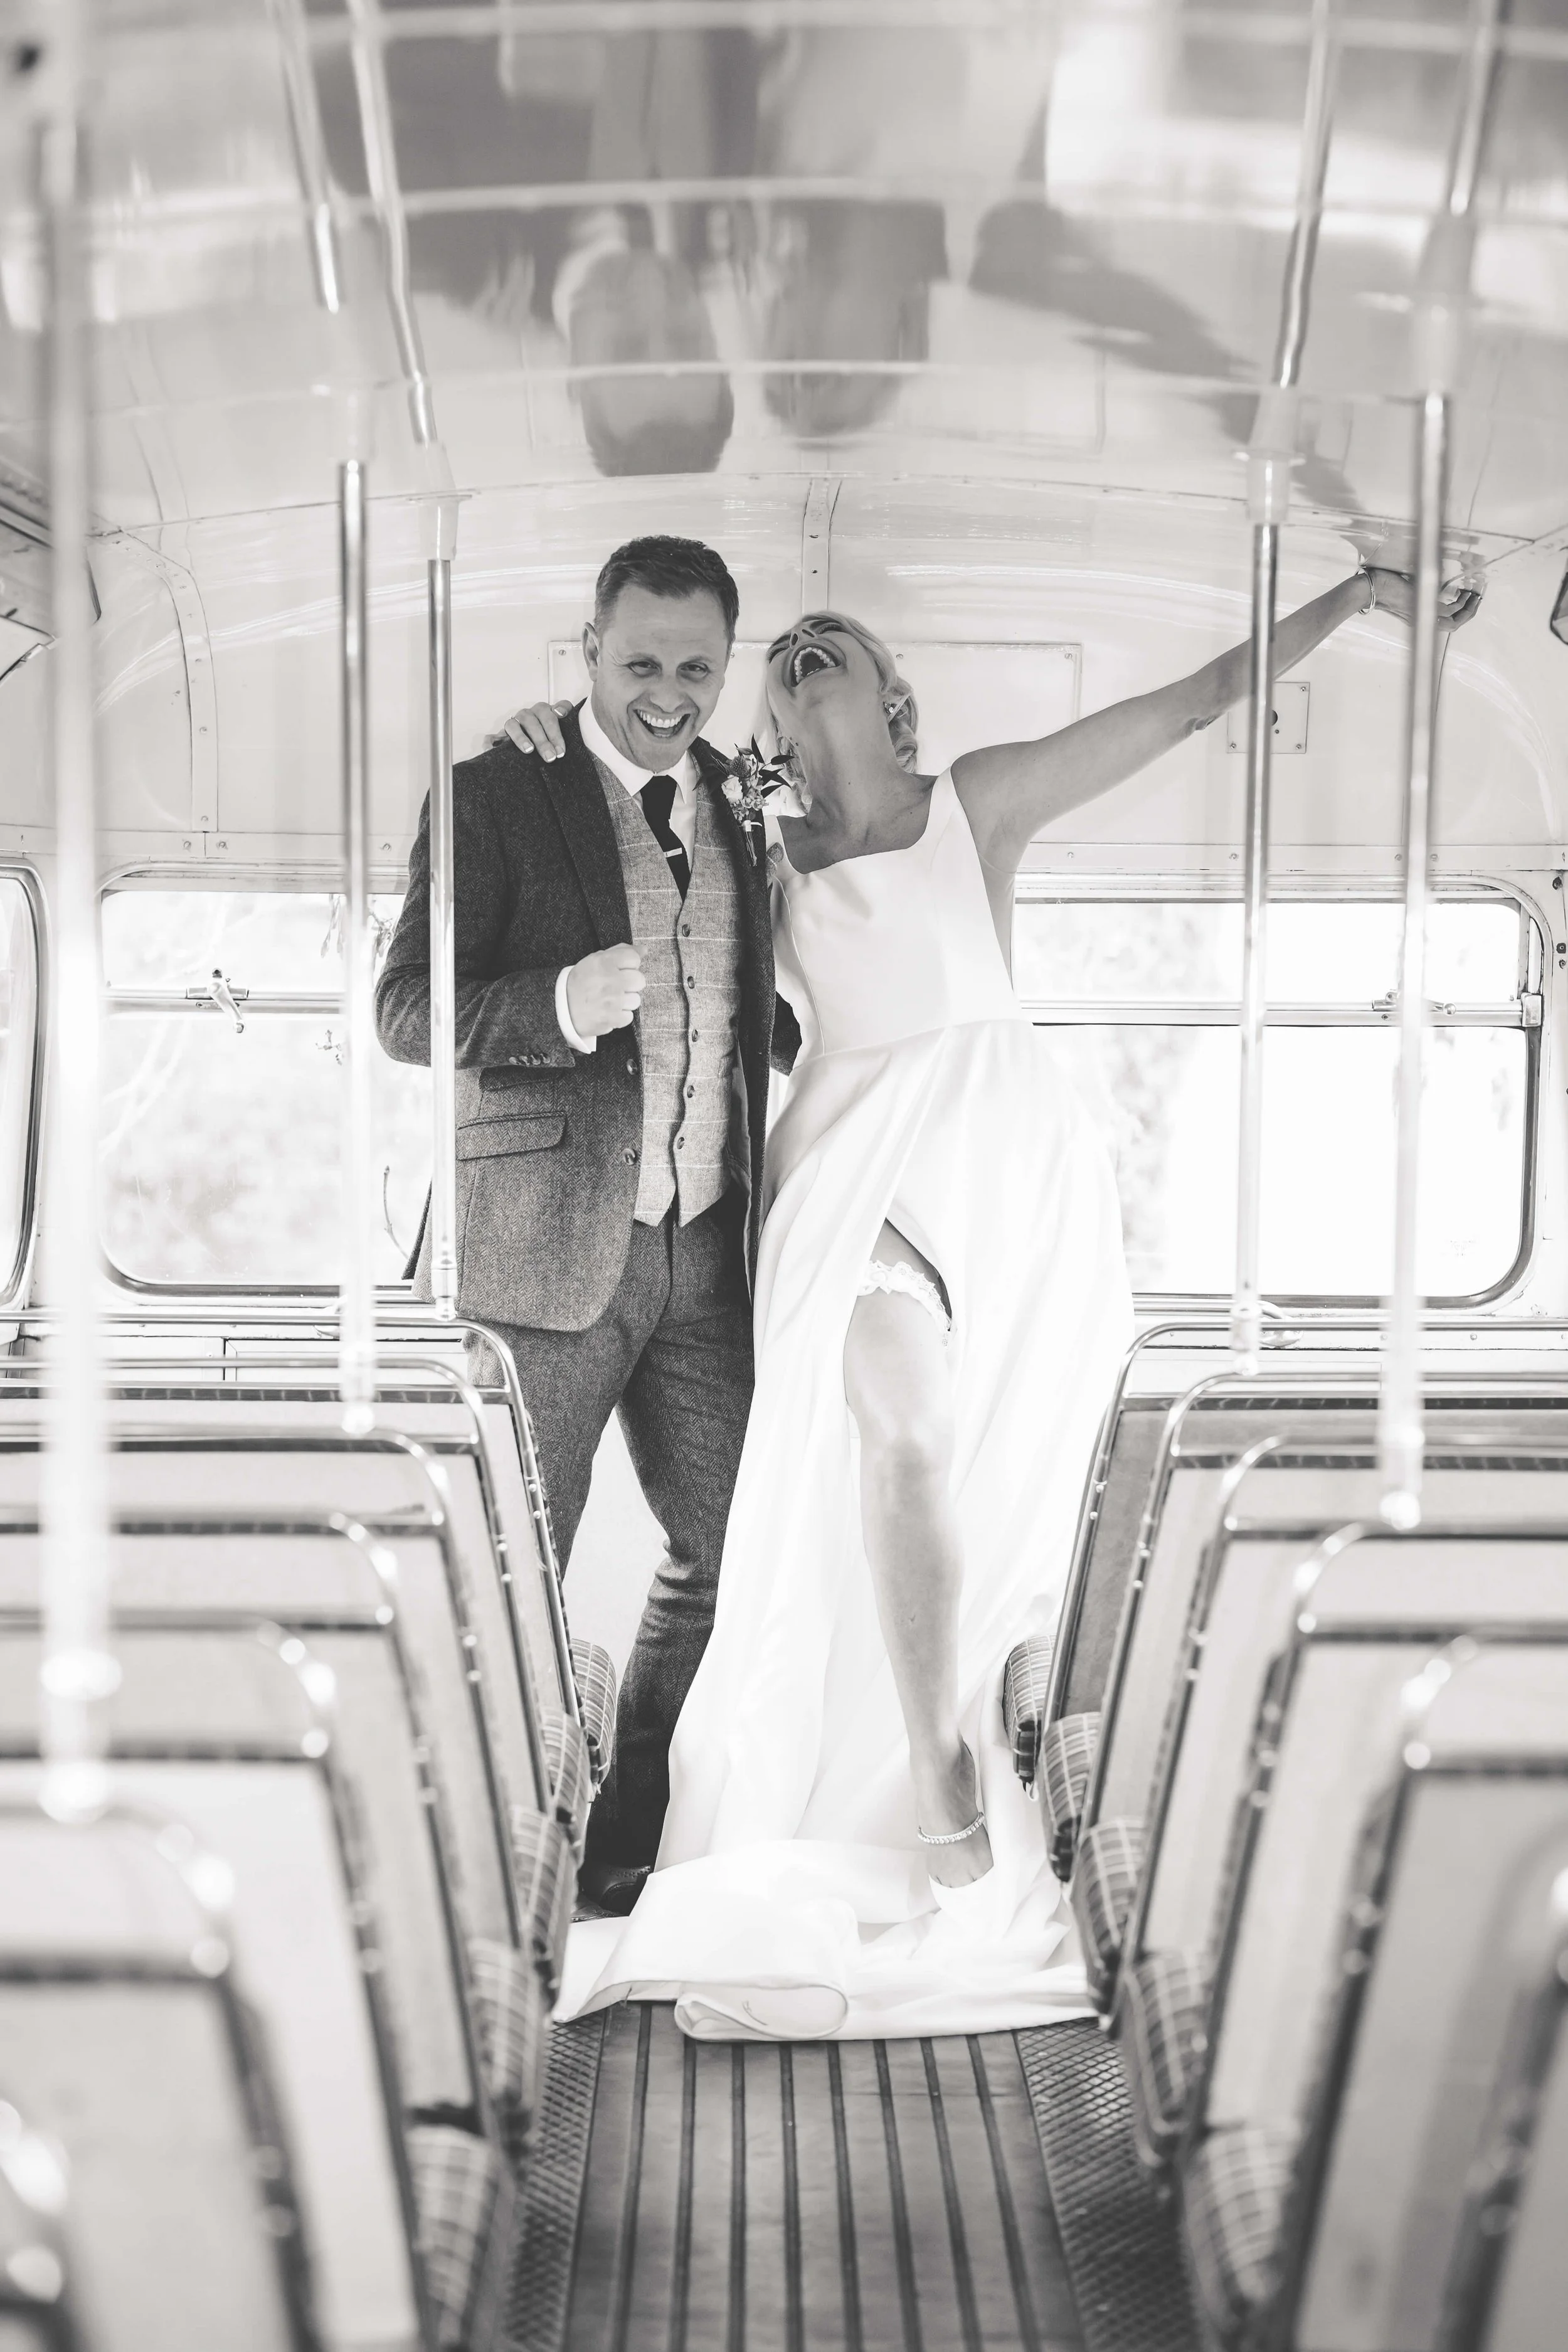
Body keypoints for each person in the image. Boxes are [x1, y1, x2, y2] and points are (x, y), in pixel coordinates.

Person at [503, 560, 1479, 2038]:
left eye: (834, 645)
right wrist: (543, 730)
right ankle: (938, 1774)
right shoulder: (752, 841)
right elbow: (621, 779)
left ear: (889, 695)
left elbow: (1199, 697)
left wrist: (1350, 590)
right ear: (765, 712)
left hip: (1001, 1159)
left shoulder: (979, 800)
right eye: (789, 652)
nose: (805, 649)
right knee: (892, 1428)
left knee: (971, 1465)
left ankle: (952, 1759)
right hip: (845, 1164)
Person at [376, 535, 794, 1915]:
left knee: (736, 1552)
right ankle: (489, 1875)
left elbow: (752, 1006)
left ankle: (623, 1838)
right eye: (637, 664)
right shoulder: (497, 790)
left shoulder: (745, 801)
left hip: (705, 1252)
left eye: (693, 668)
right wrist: (557, 1004)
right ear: (587, 649)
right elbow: (406, 1012)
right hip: (538, 1246)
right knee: (508, 1573)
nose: (665, 694)